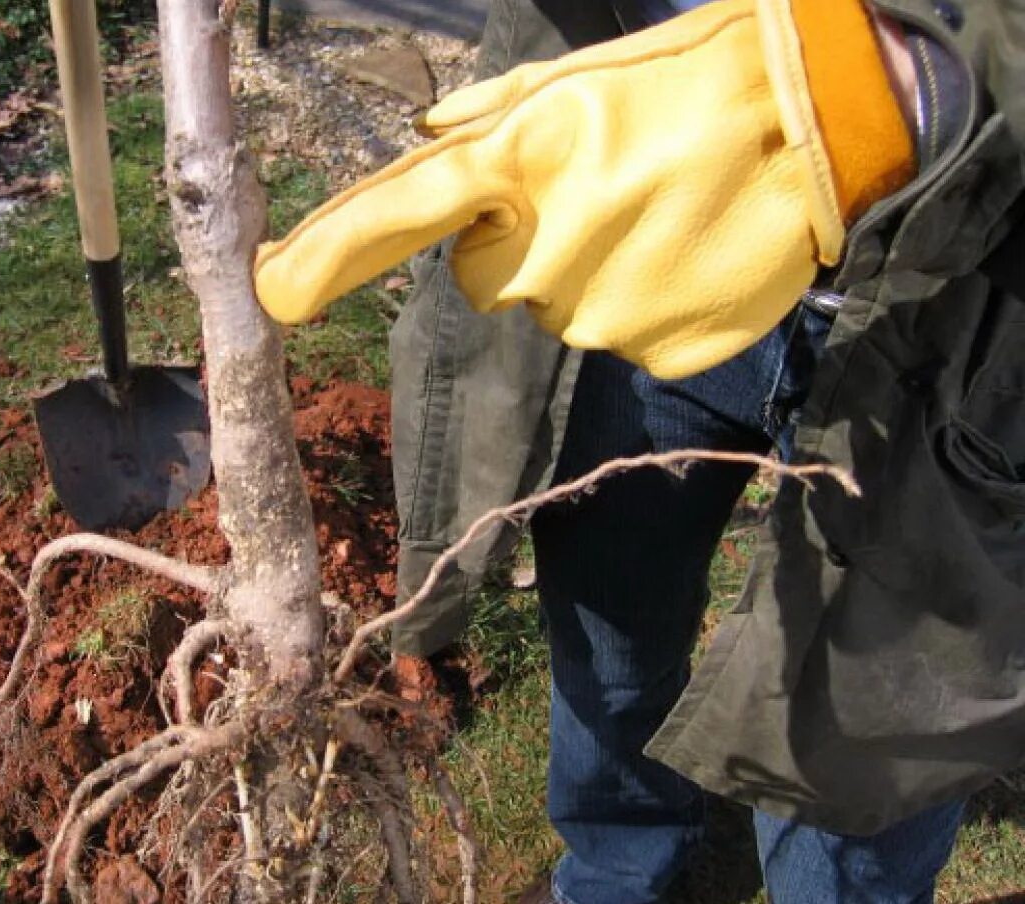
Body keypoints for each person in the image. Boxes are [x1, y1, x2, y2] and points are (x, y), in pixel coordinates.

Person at [253, 0, 1025, 900]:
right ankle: (620, 870)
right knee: (608, 614)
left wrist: (885, 87)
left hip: (950, 310)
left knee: (861, 720)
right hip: (657, 220)